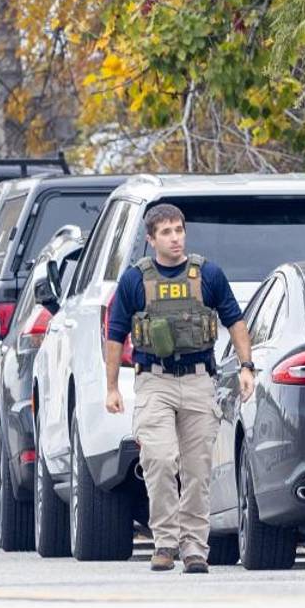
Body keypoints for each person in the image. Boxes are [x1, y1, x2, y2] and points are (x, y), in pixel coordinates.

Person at [104, 204, 256, 574]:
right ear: (152, 239)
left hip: (199, 380)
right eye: (166, 232)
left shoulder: (208, 274)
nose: (175, 238)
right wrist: (111, 387)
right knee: (157, 458)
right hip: (154, 380)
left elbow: (234, 320)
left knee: (197, 469)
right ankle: (165, 541)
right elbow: (115, 334)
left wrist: (246, 366)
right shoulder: (134, 280)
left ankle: (194, 548)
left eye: (179, 230)